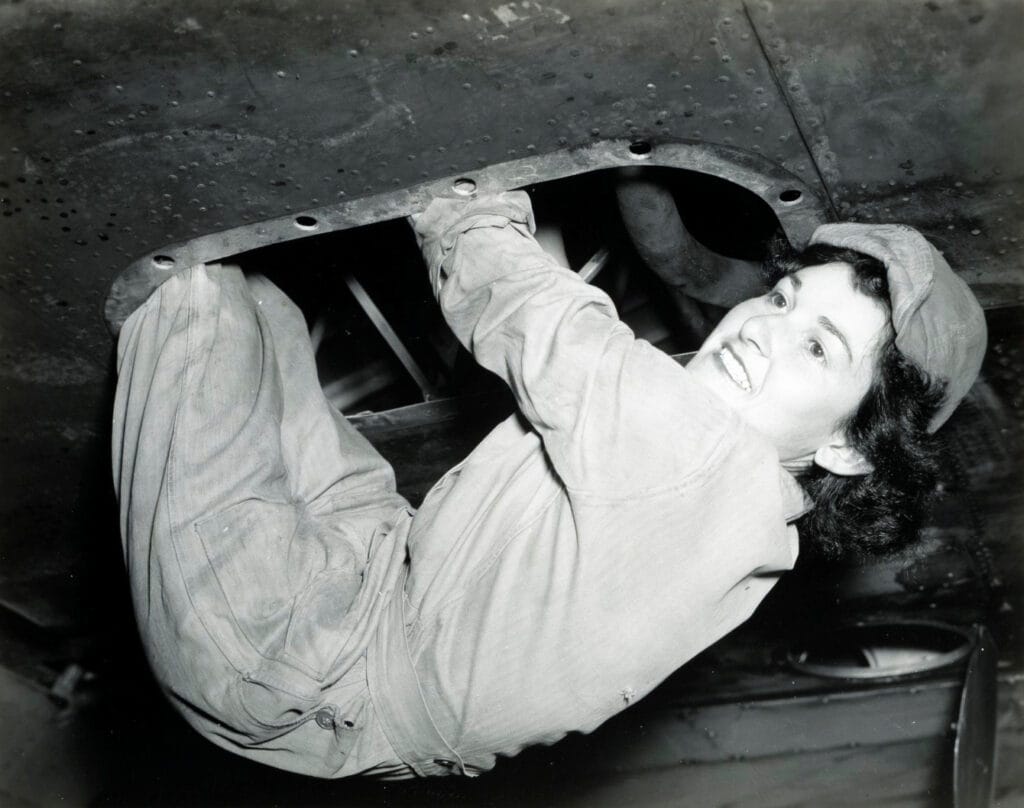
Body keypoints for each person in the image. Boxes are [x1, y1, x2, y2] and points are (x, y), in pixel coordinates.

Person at [111, 189, 986, 779]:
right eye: (784, 298)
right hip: (379, 573)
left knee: (187, 287)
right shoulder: (750, 531)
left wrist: (471, 196)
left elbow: (540, 320)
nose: (762, 327)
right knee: (260, 303)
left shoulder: (714, 474)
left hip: (302, 659)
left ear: (848, 450)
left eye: (819, 348)